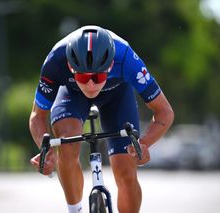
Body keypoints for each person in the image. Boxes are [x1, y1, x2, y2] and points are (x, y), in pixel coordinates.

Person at [29, 25, 174, 213]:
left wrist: (144, 143)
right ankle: (75, 210)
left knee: (126, 172)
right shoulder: (55, 60)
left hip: (117, 94)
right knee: (66, 143)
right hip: (72, 94)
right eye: (82, 76)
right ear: (71, 67)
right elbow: (37, 116)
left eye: (98, 77)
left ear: (111, 65)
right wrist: (44, 147)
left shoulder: (126, 58)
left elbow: (165, 111)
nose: (90, 84)